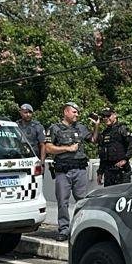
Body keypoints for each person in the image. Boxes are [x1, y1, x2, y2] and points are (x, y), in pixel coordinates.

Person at [42, 102, 91, 242]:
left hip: (80, 169)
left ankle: (81, 228)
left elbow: (93, 139)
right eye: (74, 112)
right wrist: (67, 149)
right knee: (62, 201)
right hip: (63, 171)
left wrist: (97, 126)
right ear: (66, 112)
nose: (77, 115)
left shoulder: (81, 127)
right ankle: (64, 229)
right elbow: (48, 148)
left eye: (77, 112)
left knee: (82, 201)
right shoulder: (55, 128)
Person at [94, 107, 132, 187]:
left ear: (115, 115)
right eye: (104, 116)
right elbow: (103, 154)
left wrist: (125, 159)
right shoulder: (105, 133)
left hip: (121, 172)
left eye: (108, 116)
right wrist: (100, 172)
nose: (106, 118)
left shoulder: (122, 129)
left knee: (121, 198)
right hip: (108, 173)